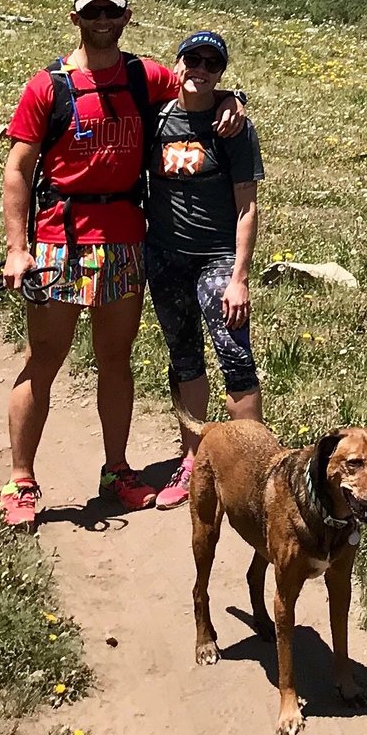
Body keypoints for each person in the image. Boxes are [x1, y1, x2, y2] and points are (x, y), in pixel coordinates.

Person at [0, 0, 247, 529]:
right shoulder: (48, 87)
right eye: (93, 12)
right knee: (46, 358)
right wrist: (17, 249)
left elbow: (197, 85)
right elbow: (17, 170)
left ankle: (116, 471)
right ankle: (21, 479)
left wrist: (235, 99)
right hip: (58, 240)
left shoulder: (143, 76)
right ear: (76, 17)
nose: (103, 21)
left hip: (125, 240)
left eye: (112, 11)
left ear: (126, 17)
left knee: (115, 361)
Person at [145, 28, 265, 511]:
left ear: (221, 72)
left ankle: (253, 471)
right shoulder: (156, 119)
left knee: (235, 357)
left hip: (216, 259)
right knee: (185, 359)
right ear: (177, 65)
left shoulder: (234, 128)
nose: (199, 69)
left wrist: (238, 277)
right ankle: (193, 460)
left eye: (210, 64)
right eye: (191, 60)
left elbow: (247, 206)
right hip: (165, 257)